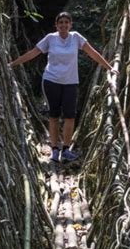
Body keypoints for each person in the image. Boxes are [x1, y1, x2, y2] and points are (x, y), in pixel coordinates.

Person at [9, 11, 117, 162]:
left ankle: (66, 149)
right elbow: (33, 53)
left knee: (70, 116)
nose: (64, 25)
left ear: (70, 25)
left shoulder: (76, 38)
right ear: (56, 25)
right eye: (61, 23)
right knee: (53, 115)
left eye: (66, 22)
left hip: (70, 82)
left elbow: (92, 52)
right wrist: (13, 64)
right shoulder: (50, 39)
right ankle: (54, 149)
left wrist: (109, 67)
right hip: (51, 81)